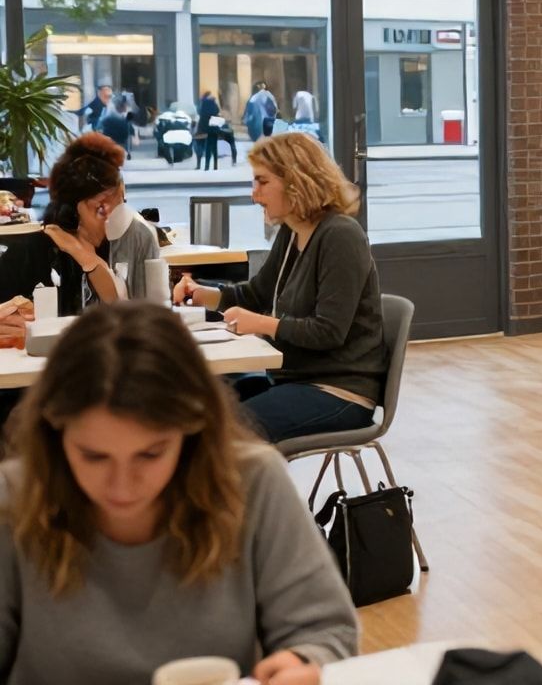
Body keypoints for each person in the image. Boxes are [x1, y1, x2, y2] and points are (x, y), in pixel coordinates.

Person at [0, 302, 358, 684]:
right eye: (93, 456)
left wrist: (301, 661)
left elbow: (324, 628)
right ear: (55, 436)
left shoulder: (251, 481)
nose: (122, 485)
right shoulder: (14, 495)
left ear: (193, 434)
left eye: (151, 454)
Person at [172, 133, 386, 444]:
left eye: (262, 182)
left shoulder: (341, 236)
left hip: (339, 391)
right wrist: (204, 293)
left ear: (295, 181)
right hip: (295, 380)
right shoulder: (292, 231)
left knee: (229, 433)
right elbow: (256, 295)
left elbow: (329, 332)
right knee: (196, 408)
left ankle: (252, 492)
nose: (254, 195)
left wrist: (262, 324)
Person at [0, 133, 158, 313]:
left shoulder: (125, 242)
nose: (111, 216)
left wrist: (85, 256)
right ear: (71, 212)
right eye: (99, 208)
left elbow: (127, 314)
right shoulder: (29, 254)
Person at [196, 89, 221, 171]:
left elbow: (201, 114)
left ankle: (205, 165)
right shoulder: (213, 104)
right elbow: (217, 111)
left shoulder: (203, 104)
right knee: (214, 147)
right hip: (213, 127)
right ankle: (215, 164)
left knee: (205, 147)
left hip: (204, 128)